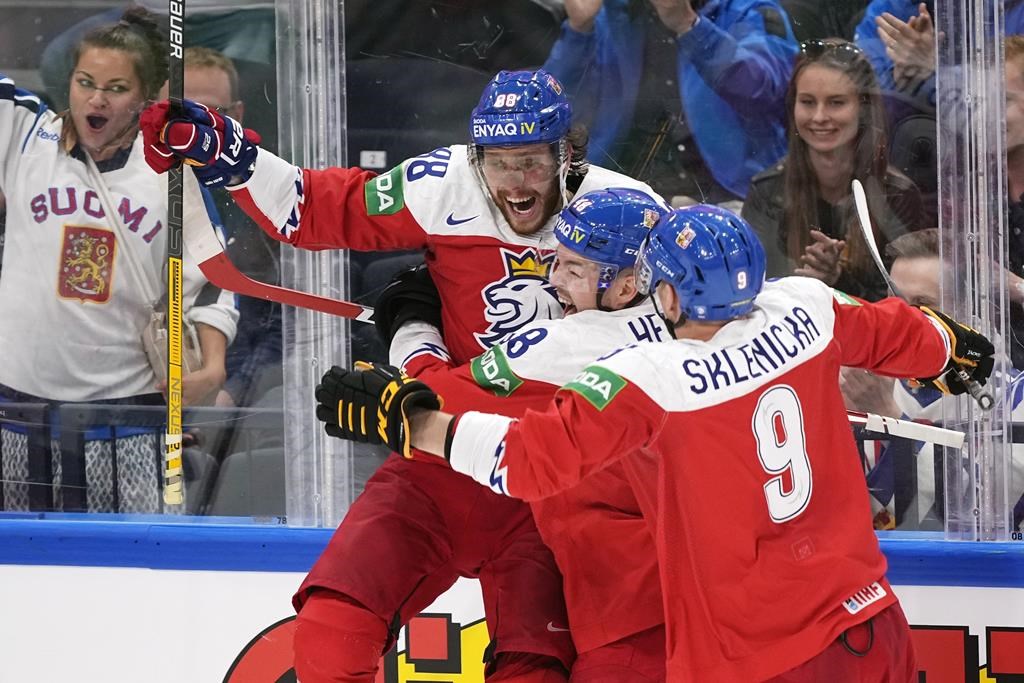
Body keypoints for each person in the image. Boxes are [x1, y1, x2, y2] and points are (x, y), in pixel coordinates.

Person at [317, 205, 995, 681]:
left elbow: (528, 462)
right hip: (872, 622)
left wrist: (412, 423)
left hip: (761, 658)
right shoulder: (806, 307)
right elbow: (895, 330)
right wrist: (952, 349)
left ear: (665, 292)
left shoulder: (653, 378)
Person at [141, 69, 662, 681]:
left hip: (557, 478)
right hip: (442, 460)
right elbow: (314, 207)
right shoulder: (443, 185)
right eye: (499, 163)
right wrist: (226, 150)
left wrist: (415, 361)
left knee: (535, 671)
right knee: (331, 636)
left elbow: (641, 345)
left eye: (532, 163)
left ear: (565, 155)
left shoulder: (627, 216)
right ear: (476, 157)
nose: (516, 185)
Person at [353, 187, 671, 680]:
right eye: (557, 261)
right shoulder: (712, 327)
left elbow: (428, 395)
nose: (553, 279)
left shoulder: (563, 345)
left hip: (627, 618)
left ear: (626, 286)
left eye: (573, 269)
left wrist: (412, 323)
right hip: (717, 608)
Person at [0, 7, 237, 513]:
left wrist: (212, 367)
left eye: (115, 88)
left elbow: (215, 283)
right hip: (15, 411)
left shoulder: (174, 178)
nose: (96, 98)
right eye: (85, 82)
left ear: (145, 99)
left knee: (132, 566)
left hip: (126, 419)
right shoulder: (24, 136)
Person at [542, 0, 798, 203]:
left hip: (728, 195)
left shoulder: (750, 10)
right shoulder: (611, 15)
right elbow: (549, 109)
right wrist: (578, 29)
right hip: (620, 191)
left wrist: (689, 26)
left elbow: (768, 95)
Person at [742, 37, 928, 301]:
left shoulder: (898, 195)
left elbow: (907, 305)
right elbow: (755, 293)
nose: (819, 117)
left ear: (863, 109)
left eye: (836, 102)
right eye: (807, 102)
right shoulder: (767, 191)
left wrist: (839, 280)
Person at [177, 46, 283, 408]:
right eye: (181, 112)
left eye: (211, 113)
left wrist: (234, 393)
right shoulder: (129, 193)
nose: (194, 128)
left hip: (236, 403)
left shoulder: (267, 198)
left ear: (237, 115)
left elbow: (278, 327)